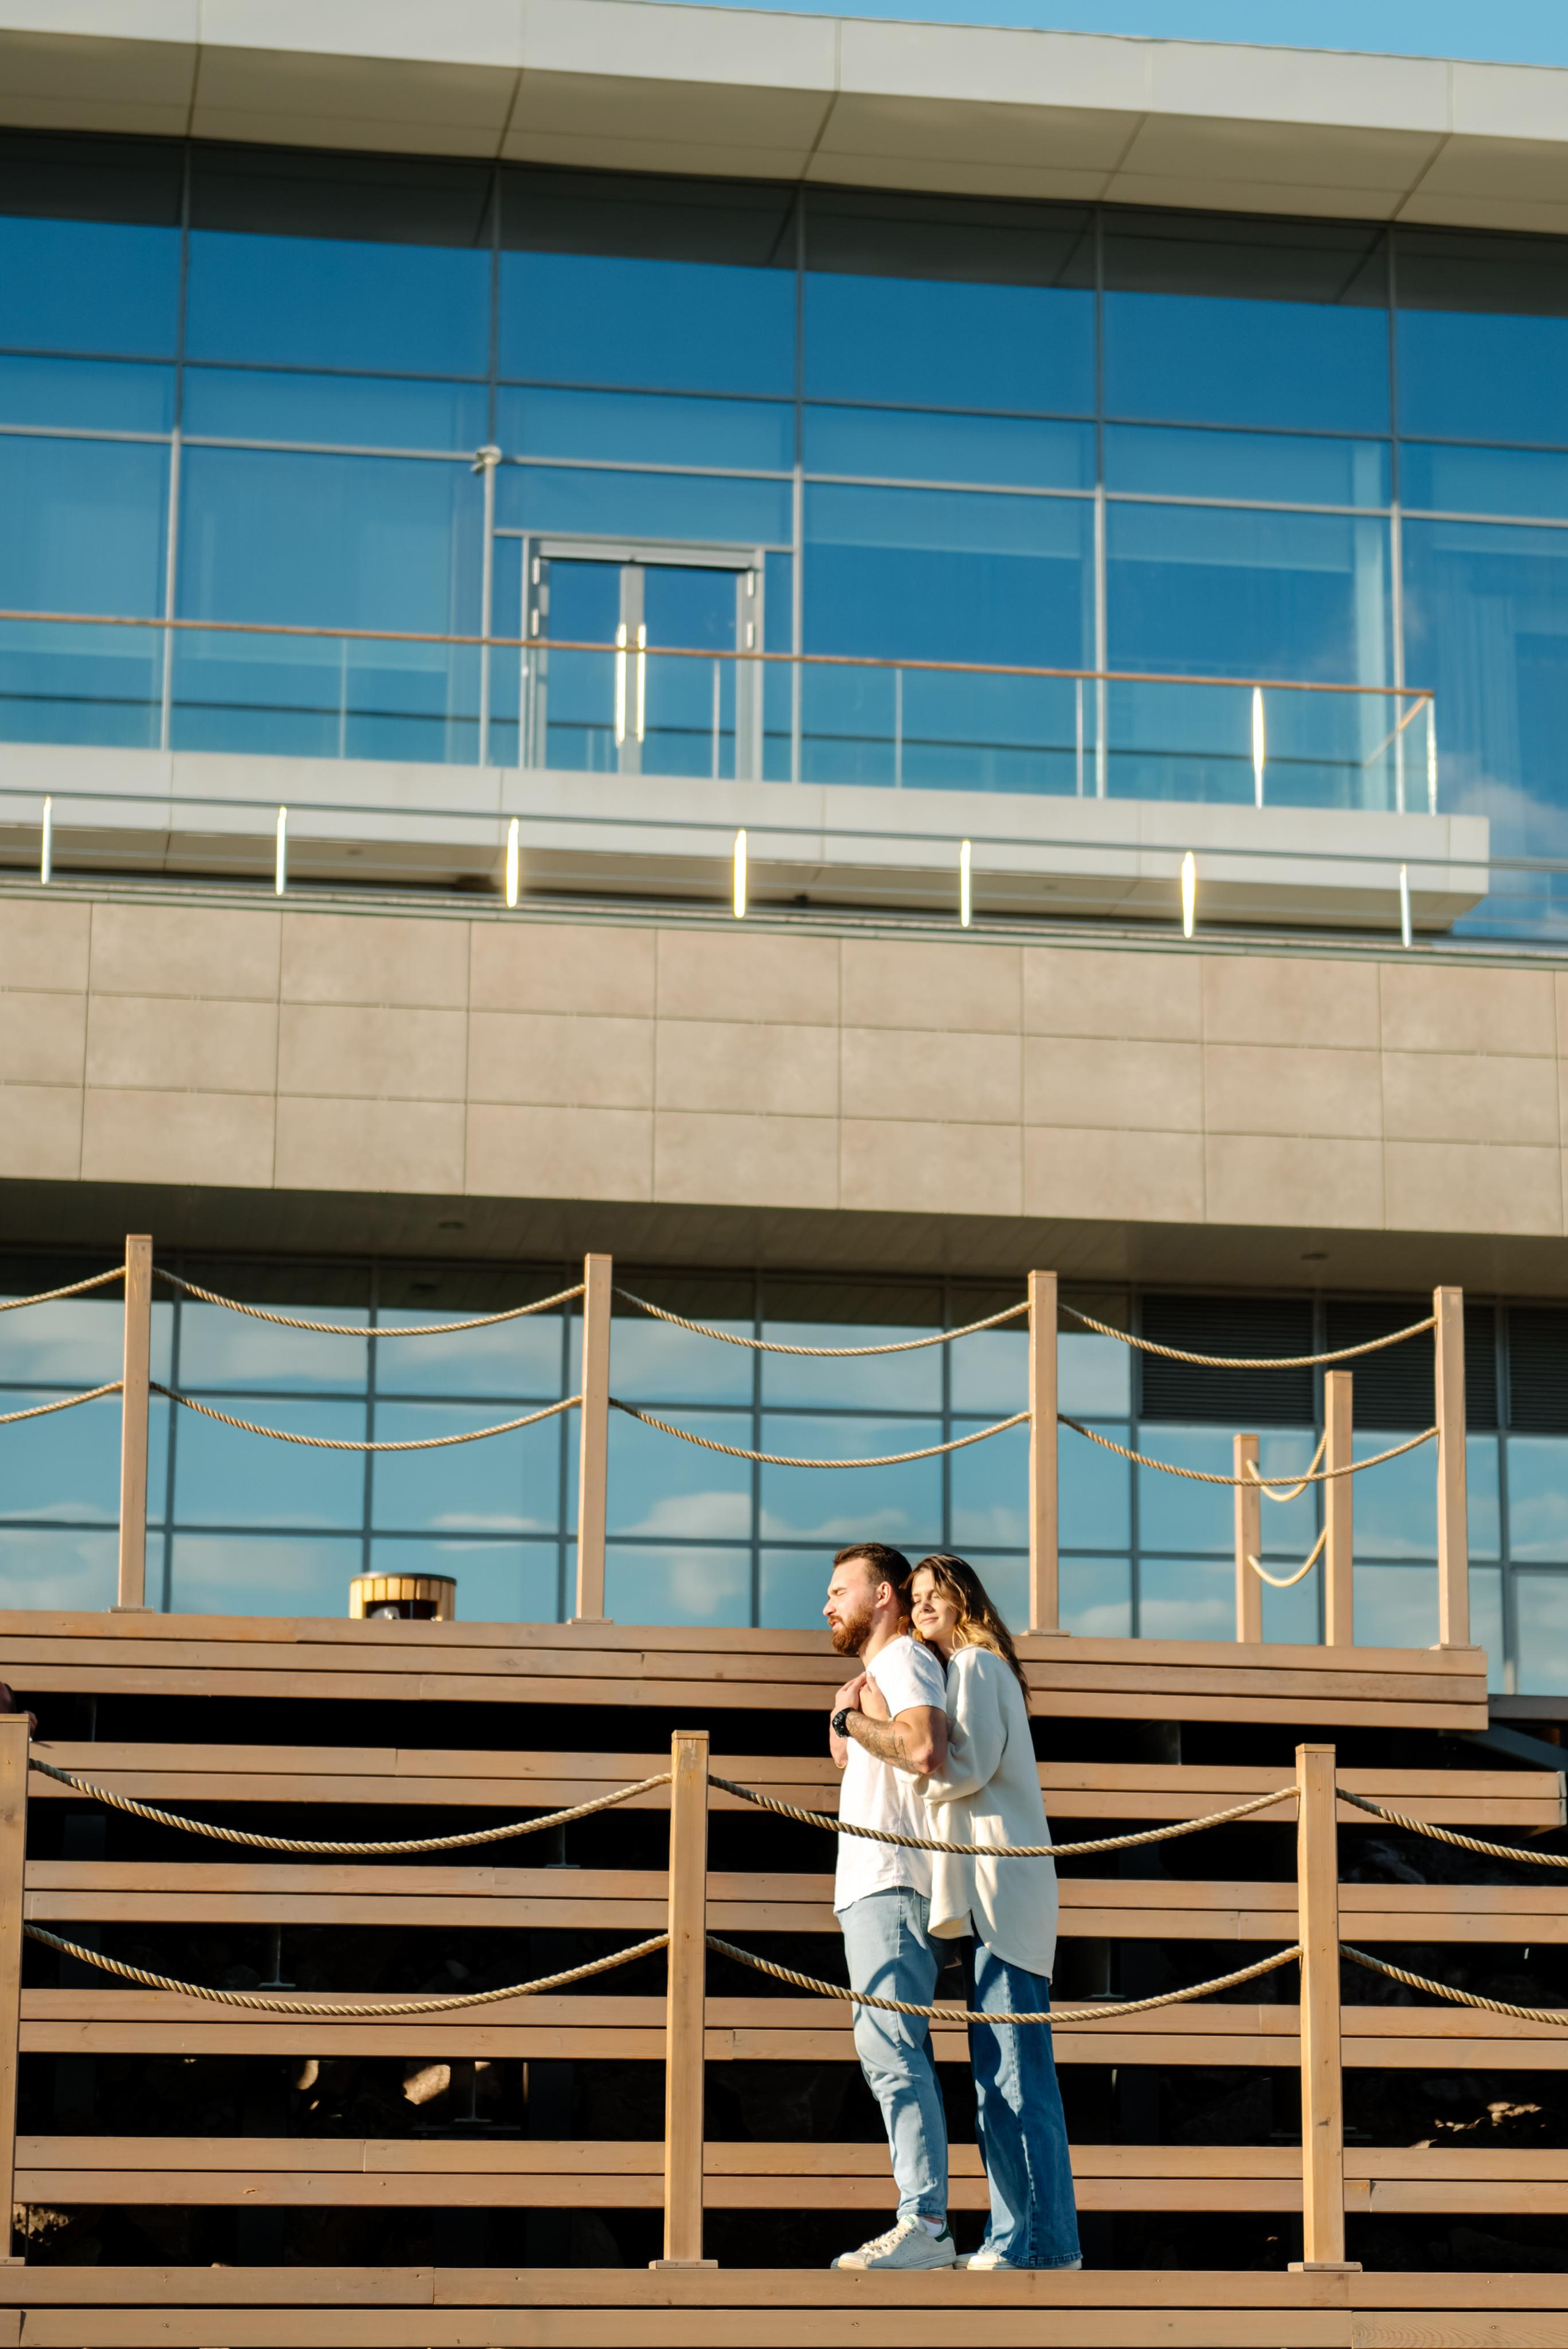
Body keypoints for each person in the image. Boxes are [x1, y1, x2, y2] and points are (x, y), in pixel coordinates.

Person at [895, 1551, 1082, 2274]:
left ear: (961, 1595)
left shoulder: (974, 1666)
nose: (922, 1607)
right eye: (914, 1599)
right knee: (1004, 2076)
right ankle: (1027, 2237)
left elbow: (963, 1768)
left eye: (932, 1593)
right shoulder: (977, 1668)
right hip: (996, 1898)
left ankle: (1035, 2242)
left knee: (1012, 2079)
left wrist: (896, 1761)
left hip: (1003, 1896)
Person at [821, 1540, 956, 2272]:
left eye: (840, 1589)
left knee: (894, 2054)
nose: (826, 1603)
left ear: (883, 1595)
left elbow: (924, 1748)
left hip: (893, 1879)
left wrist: (846, 1721)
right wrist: (848, 1722)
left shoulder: (902, 1657)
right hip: (873, 1884)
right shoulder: (881, 1670)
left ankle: (926, 2223)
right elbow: (855, 1754)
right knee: (885, 2054)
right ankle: (921, 2217)